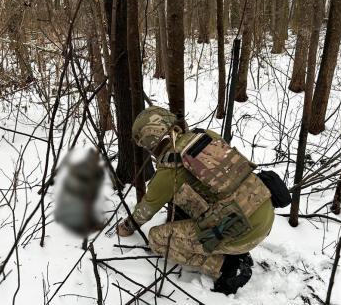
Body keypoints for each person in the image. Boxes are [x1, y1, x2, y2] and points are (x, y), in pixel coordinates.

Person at [117, 106, 275, 295]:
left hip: (245, 234)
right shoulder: (205, 135)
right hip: (264, 209)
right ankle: (234, 250)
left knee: (157, 239)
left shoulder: (170, 168)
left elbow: (145, 211)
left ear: (151, 142)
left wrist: (127, 226)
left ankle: (229, 266)